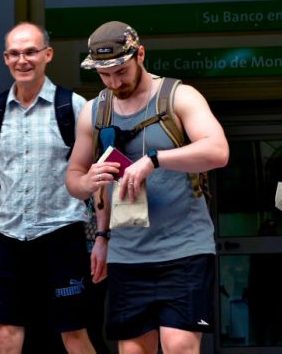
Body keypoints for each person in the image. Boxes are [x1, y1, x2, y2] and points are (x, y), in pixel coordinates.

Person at [65, 21, 229, 354]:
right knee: (133, 350)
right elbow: (74, 178)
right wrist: (90, 188)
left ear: (140, 54)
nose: (114, 82)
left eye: (121, 71)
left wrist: (155, 160)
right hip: (127, 251)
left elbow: (218, 151)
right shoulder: (95, 111)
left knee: (178, 344)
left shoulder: (178, 96)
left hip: (183, 248)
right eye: (105, 75)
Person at [0, 22, 98, 354]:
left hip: (62, 232)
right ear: (5, 58)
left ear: (47, 55)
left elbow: (97, 176)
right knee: (7, 331)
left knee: (74, 332)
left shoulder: (74, 106)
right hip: (8, 237)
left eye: (30, 52)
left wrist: (103, 238)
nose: (22, 60)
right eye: (14, 53)